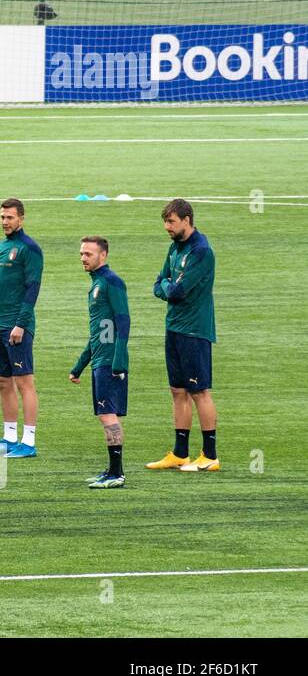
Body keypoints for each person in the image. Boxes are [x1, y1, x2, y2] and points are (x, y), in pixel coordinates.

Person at [147, 198, 220, 472]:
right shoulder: (174, 248)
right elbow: (158, 285)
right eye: (165, 222)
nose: (167, 227)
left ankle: (210, 455)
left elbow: (176, 292)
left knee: (199, 391)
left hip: (194, 330)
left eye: (171, 222)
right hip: (174, 327)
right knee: (177, 391)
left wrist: (168, 287)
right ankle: (180, 453)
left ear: (187, 220)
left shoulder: (201, 251)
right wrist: (167, 286)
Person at [0, 198, 43, 458]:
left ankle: (29, 442)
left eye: (10, 217)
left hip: (17, 327)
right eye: (2, 217)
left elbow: (32, 288)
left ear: (21, 219)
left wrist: (21, 324)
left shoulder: (30, 249)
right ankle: (9, 437)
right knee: (3, 381)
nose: (5, 222)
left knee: (24, 382)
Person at [69, 236, 130, 489]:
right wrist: (80, 365)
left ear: (102, 256)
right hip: (100, 361)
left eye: (88, 254)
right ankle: (112, 470)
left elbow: (123, 320)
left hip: (109, 362)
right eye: (82, 253)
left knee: (108, 415)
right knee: (105, 414)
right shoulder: (96, 285)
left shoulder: (112, 282)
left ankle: (117, 474)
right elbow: (98, 334)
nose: (83, 258)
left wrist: (119, 360)